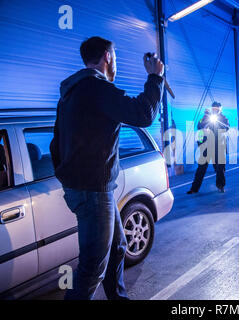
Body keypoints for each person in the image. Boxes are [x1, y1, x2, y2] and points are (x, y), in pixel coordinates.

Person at [50, 36, 164, 300]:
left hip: (88, 189)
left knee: (117, 247)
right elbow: (143, 114)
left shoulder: (70, 94)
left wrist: (67, 177)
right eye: (116, 57)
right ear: (107, 57)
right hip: (93, 191)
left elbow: (56, 143)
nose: (116, 63)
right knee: (92, 268)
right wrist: (155, 77)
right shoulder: (97, 89)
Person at [187, 102, 229, 194]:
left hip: (218, 146)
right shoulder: (206, 117)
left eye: (216, 109)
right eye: (213, 109)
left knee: (220, 168)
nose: (214, 110)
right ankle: (194, 189)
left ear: (219, 110)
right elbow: (199, 126)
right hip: (207, 145)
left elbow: (227, 127)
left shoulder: (223, 118)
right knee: (201, 168)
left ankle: (221, 186)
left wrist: (218, 123)